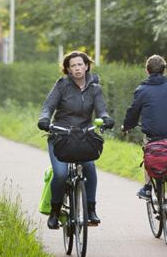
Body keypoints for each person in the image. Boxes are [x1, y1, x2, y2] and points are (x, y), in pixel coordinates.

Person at [38, 51, 114, 229]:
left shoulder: (95, 88)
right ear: (68, 70)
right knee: (61, 174)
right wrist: (44, 119)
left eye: (80, 64)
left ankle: (91, 208)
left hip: (83, 136)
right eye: (73, 66)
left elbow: (101, 110)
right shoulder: (61, 86)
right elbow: (48, 107)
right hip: (61, 136)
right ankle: (55, 212)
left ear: (87, 66)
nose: (77, 68)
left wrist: (106, 118)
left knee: (89, 167)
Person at [122, 54, 167, 231]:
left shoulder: (141, 90)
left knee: (149, 155)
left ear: (147, 70)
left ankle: (147, 188)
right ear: (164, 69)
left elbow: (133, 111)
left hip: (152, 138)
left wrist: (127, 126)